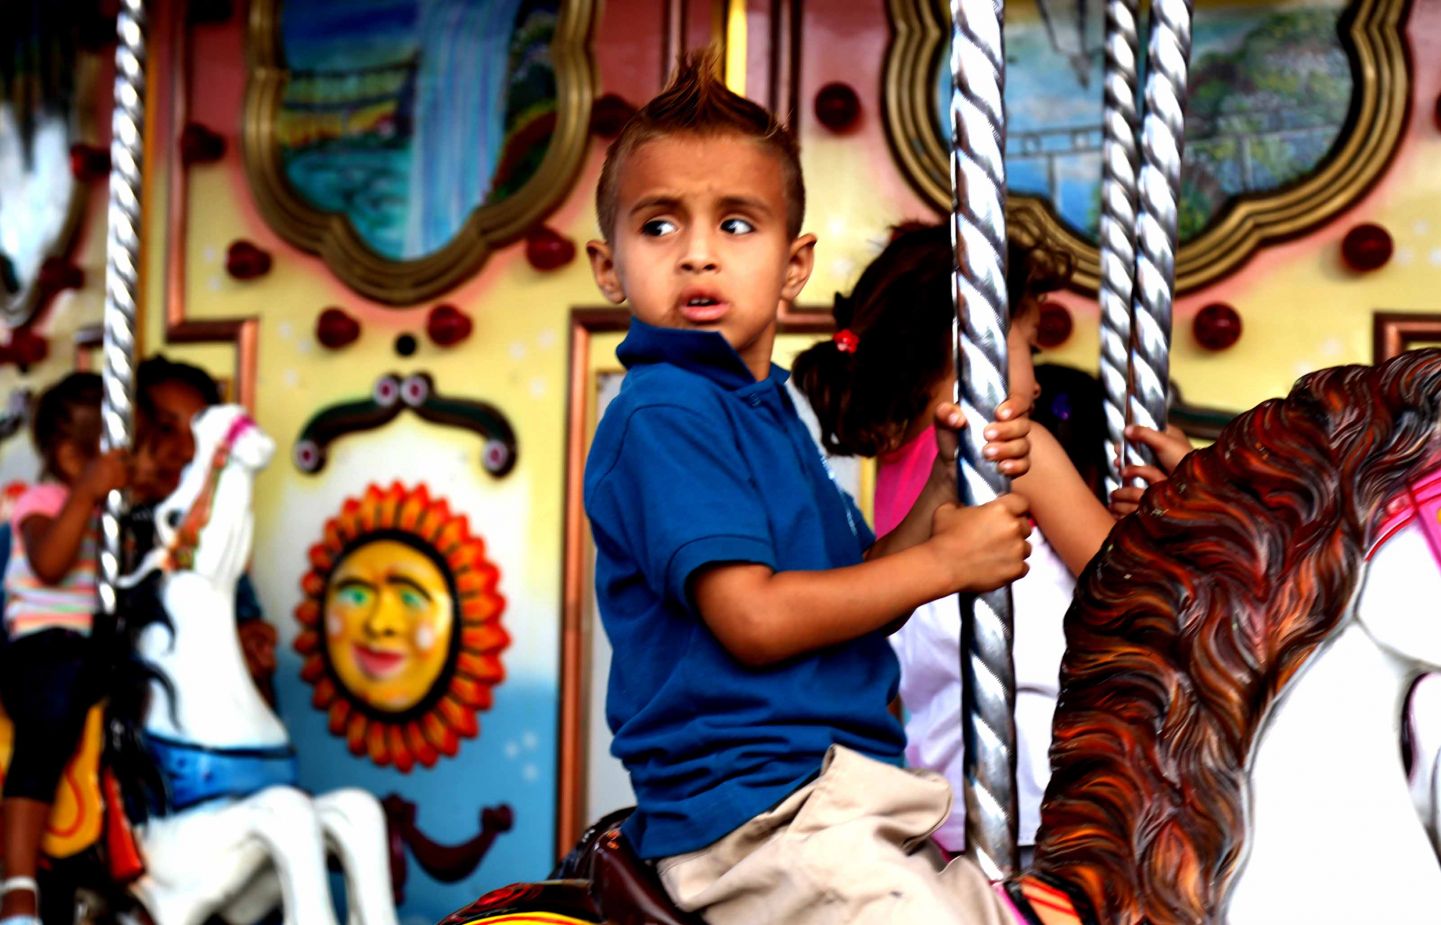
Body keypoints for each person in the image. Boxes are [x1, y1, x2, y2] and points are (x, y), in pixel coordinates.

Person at [582, 52, 1036, 923]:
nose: (699, 256)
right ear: (609, 268)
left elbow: (857, 594)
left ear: (794, 266)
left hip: (834, 795)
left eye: (737, 225)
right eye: (660, 227)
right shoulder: (664, 411)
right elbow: (754, 620)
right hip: (755, 814)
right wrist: (945, 564)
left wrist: (943, 489)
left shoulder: (762, 411)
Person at [792, 223, 1193, 860]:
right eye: (1028, 345)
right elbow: (1134, 588)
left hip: (932, 803)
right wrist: (1180, 509)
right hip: (1047, 797)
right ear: (969, 345)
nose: (1034, 383)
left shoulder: (889, 480)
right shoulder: (1012, 448)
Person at [0, 373, 128, 925]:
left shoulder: (114, 515)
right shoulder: (42, 501)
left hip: (94, 647)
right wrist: (86, 493)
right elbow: (50, 565)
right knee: (47, 727)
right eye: (114, 449)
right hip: (43, 647)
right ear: (73, 455)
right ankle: (18, 885)